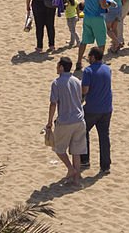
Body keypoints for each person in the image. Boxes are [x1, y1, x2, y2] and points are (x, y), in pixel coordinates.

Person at [47, 56, 87, 186]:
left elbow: (53, 104)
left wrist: (49, 122)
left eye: (58, 65)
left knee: (59, 148)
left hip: (65, 120)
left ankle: (70, 169)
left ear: (62, 67)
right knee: (76, 150)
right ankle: (75, 179)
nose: (56, 68)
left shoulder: (56, 83)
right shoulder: (77, 81)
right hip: (79, 119)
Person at [78, 47, 112, 174]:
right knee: (104, 136)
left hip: (92, 108)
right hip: (107, 108)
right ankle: (105, 165)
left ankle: (85, 160)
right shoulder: (108, 69)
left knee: (83, 131)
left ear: (93, 57)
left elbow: (85, 90)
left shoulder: (88, 71)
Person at [76, 0, 110, 71]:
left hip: (87, 17)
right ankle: (99, 62)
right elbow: (103, 5)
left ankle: (79, 61)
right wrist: (110, 4)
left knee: (84, 40)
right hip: (97, 17)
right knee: (101, 41)